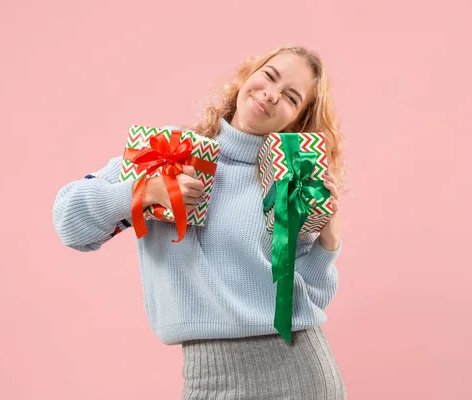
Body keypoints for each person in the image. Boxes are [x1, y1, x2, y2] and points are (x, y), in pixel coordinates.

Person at [53, 45, 348, 399]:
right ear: (248, 75)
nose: (271, 95)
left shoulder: (286, 183)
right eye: (270, 76)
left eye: (290, 97)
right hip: (207, 375)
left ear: (296, 120)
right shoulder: (167, 151)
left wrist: (328, 240)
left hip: (298, 372)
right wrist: (144, 192)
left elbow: (310, 297)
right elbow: (69, 224)